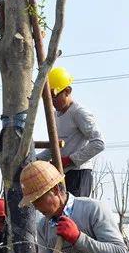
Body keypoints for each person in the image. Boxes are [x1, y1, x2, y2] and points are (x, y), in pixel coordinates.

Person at [37, 66, 105, 198]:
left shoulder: (78, 112)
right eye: (49, 98)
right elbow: (54, 147)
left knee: (74, 214)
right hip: (62, 173)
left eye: (54, 96)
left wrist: (70, 160)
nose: (52, 102)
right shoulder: (56, 115)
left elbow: (99, 143)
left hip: (79, 173)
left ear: (67, 91)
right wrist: (36, 160)